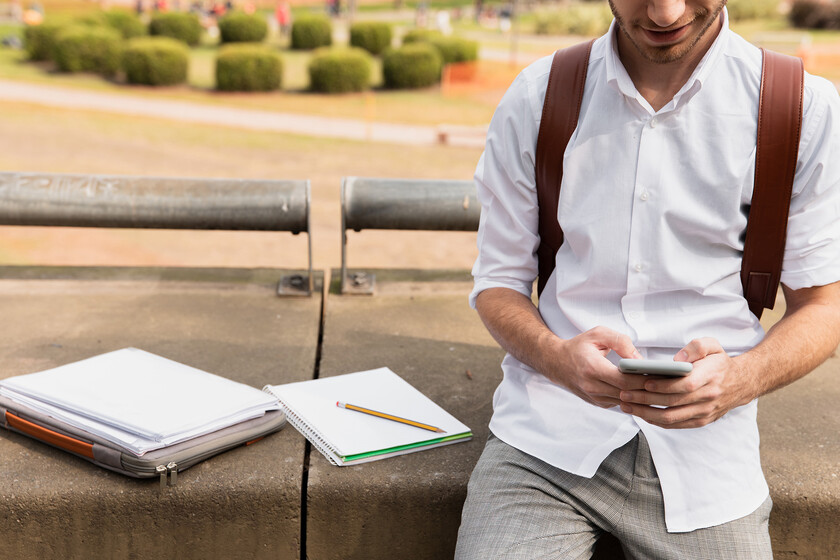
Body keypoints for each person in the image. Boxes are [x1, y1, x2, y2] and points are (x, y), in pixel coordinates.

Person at [455, 0, 840, 557]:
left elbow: (824, 307)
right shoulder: (537, 94)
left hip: (708, 457)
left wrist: (739, 380)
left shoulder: (801, 107)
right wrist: (556, 357)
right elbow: (497, 284)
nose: (665, 13)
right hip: (546, 441)